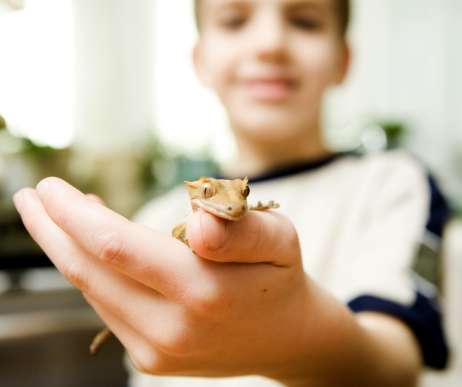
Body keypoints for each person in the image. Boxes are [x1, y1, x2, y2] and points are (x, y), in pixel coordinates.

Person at [13, 0, 449, 386]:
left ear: (343, 60)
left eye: (305, 20)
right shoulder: (151, 219)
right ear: (200, 62)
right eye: (235, 19)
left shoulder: (393, 184)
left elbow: (400, 368)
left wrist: (292, 337)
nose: (270, 44)